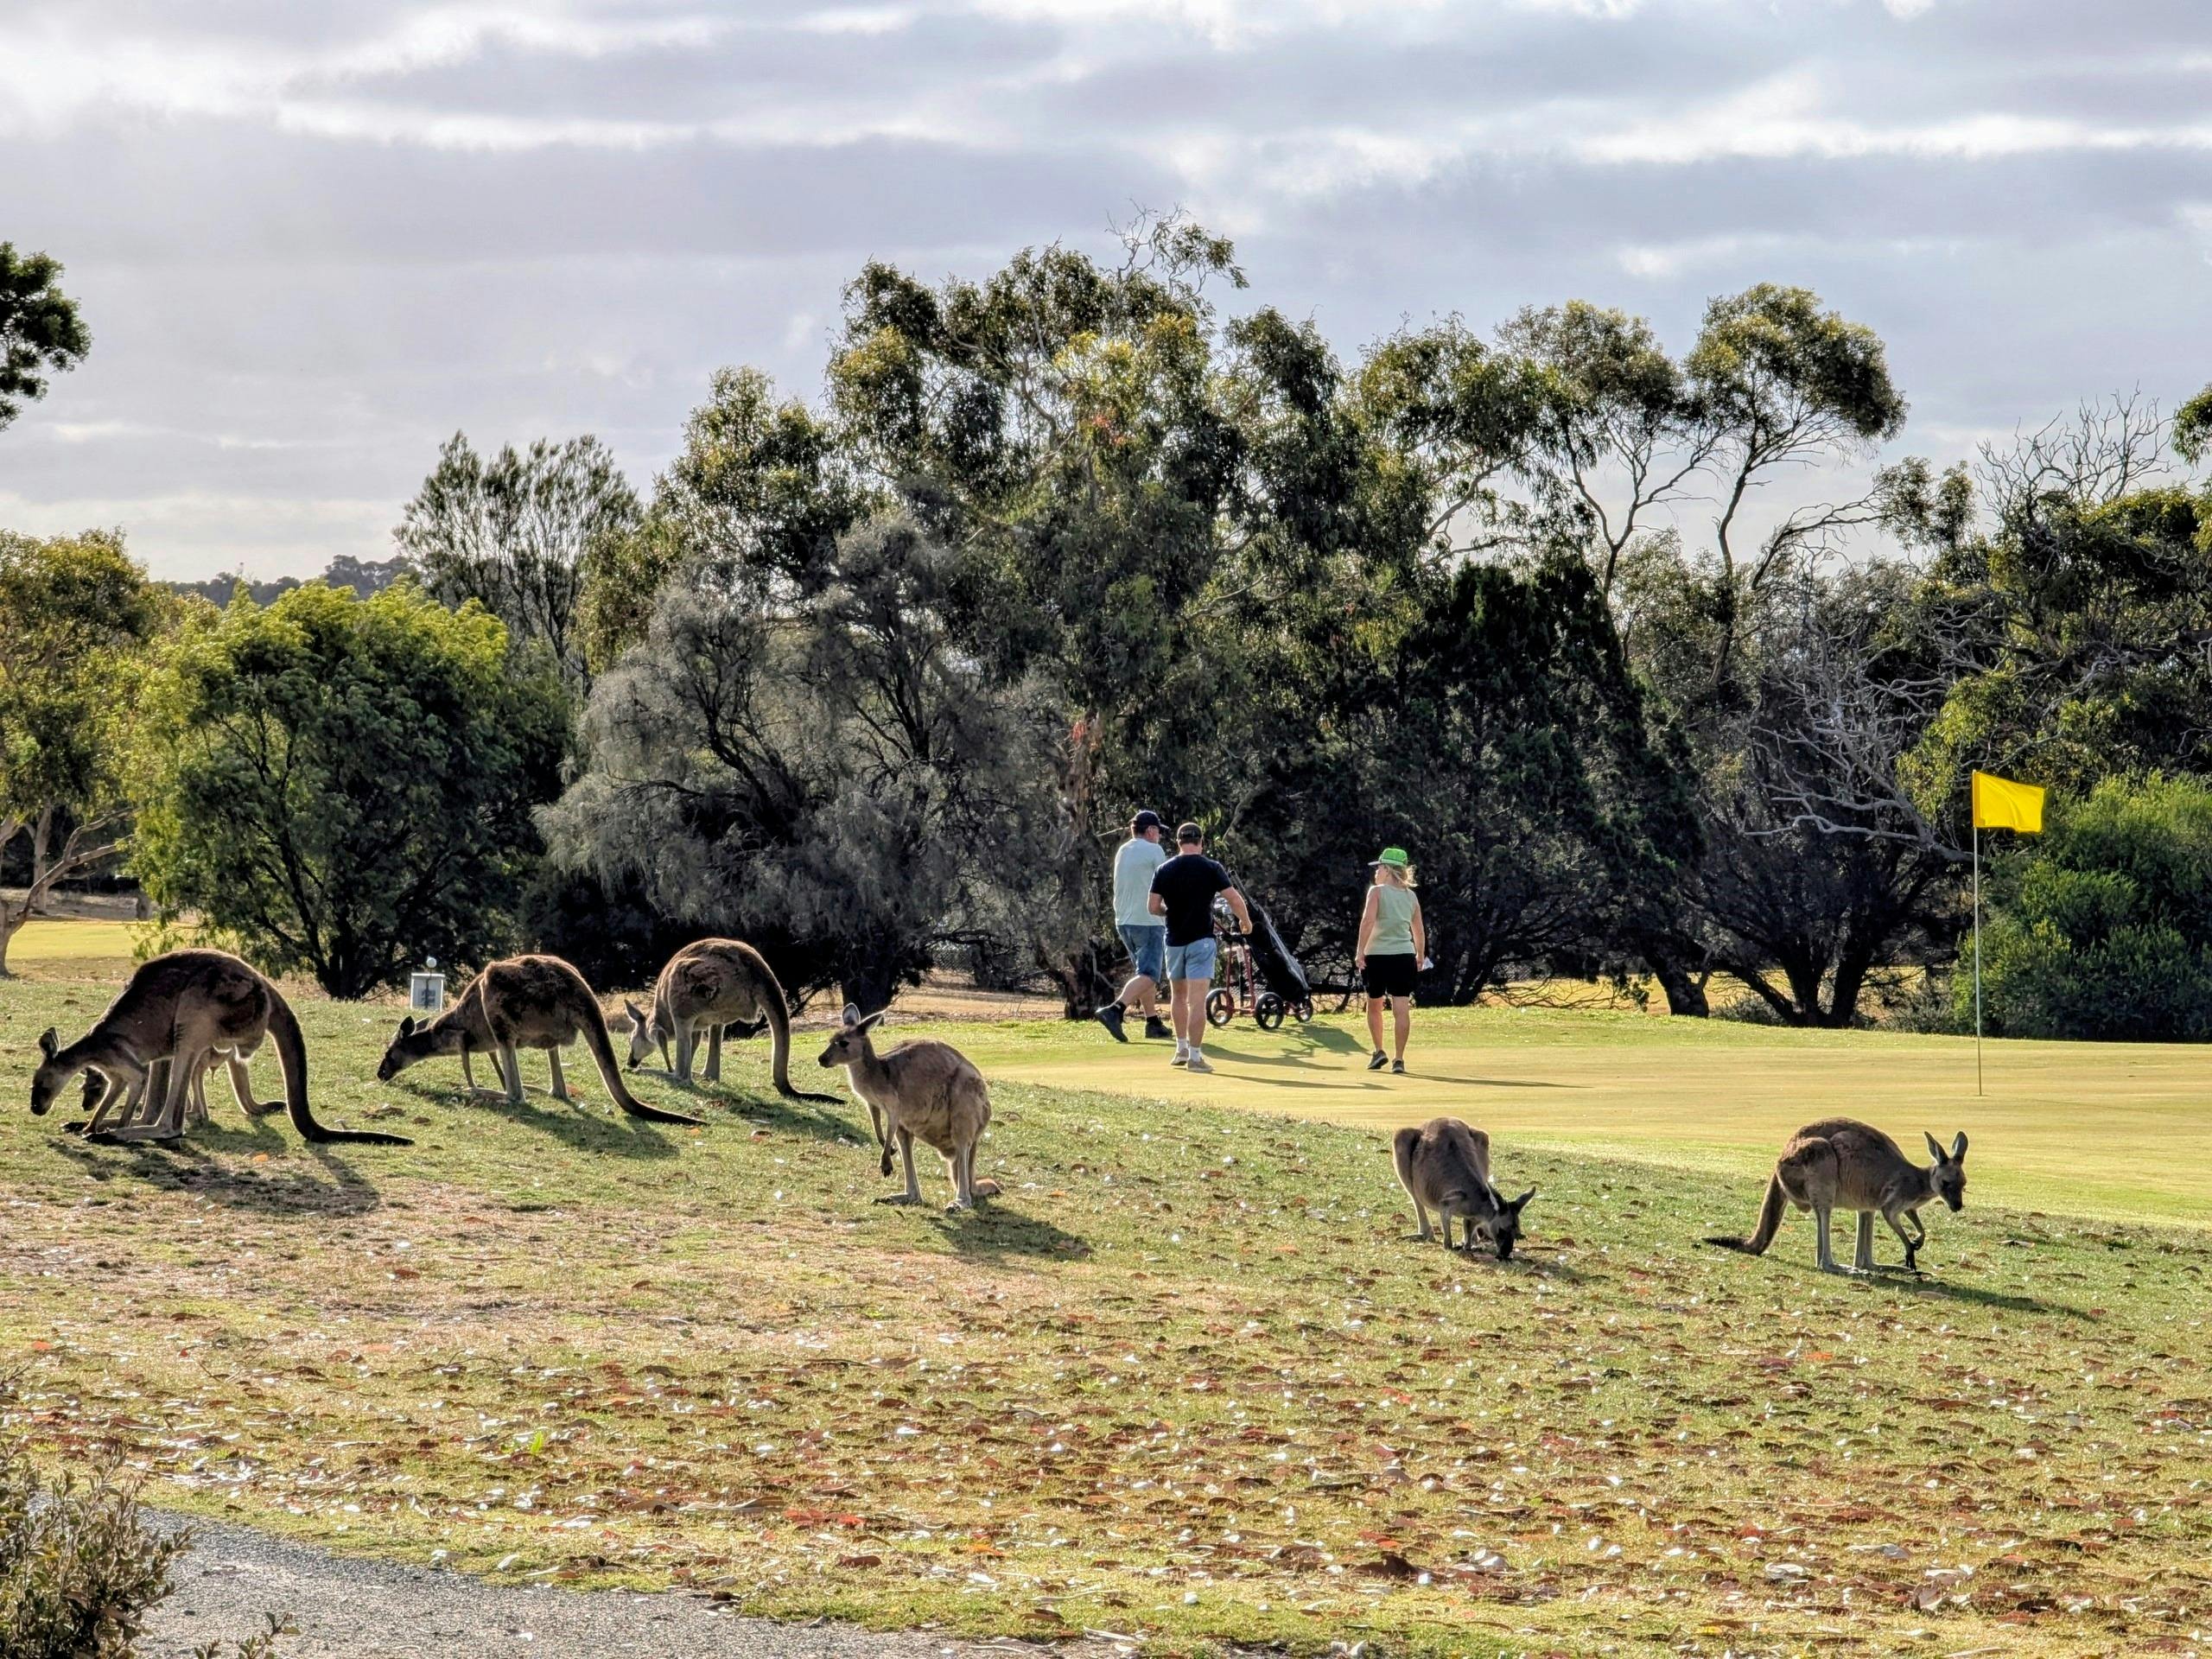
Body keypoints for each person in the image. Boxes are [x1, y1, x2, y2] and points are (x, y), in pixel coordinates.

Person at [1147, 822, 1250, 1074]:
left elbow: (1152, 906)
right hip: (1201, 940)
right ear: (1201, 842)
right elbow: (1234, 899)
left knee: (1178, 997)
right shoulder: (1211, 867)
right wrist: (1245, 921)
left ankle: (1181, 1049)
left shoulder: (1164, 869)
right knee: (1196, 1000)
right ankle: (1195, 1056)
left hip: (1173, 940)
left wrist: (1167, 912)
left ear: (1179, 843)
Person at [1095, 810, 1173, 1043]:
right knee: (1150, 974)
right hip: (1148, 920)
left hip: (1125, 921)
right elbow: (1165, 882)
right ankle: (1115, 1010)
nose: (1159, 836)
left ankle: (1152, 1022)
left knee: (1142, 972)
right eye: (1158, 831)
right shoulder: (1154, 850)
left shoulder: (1123, 850)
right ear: (1150, 831)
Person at [1355, 846, 1427, 1074]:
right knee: (1401, 1007)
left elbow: (1367, 922)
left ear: (1388, 869)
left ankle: (1378, 1050)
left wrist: (1359, 951)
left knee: (1374, 1004)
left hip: (1377, 955)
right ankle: (1399, 1059)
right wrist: (1420, 954)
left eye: (1379, 868)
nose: (1376, 872)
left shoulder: (1376, 892)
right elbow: (1419, 930)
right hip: (1404, 956)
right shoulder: (1411, 896)